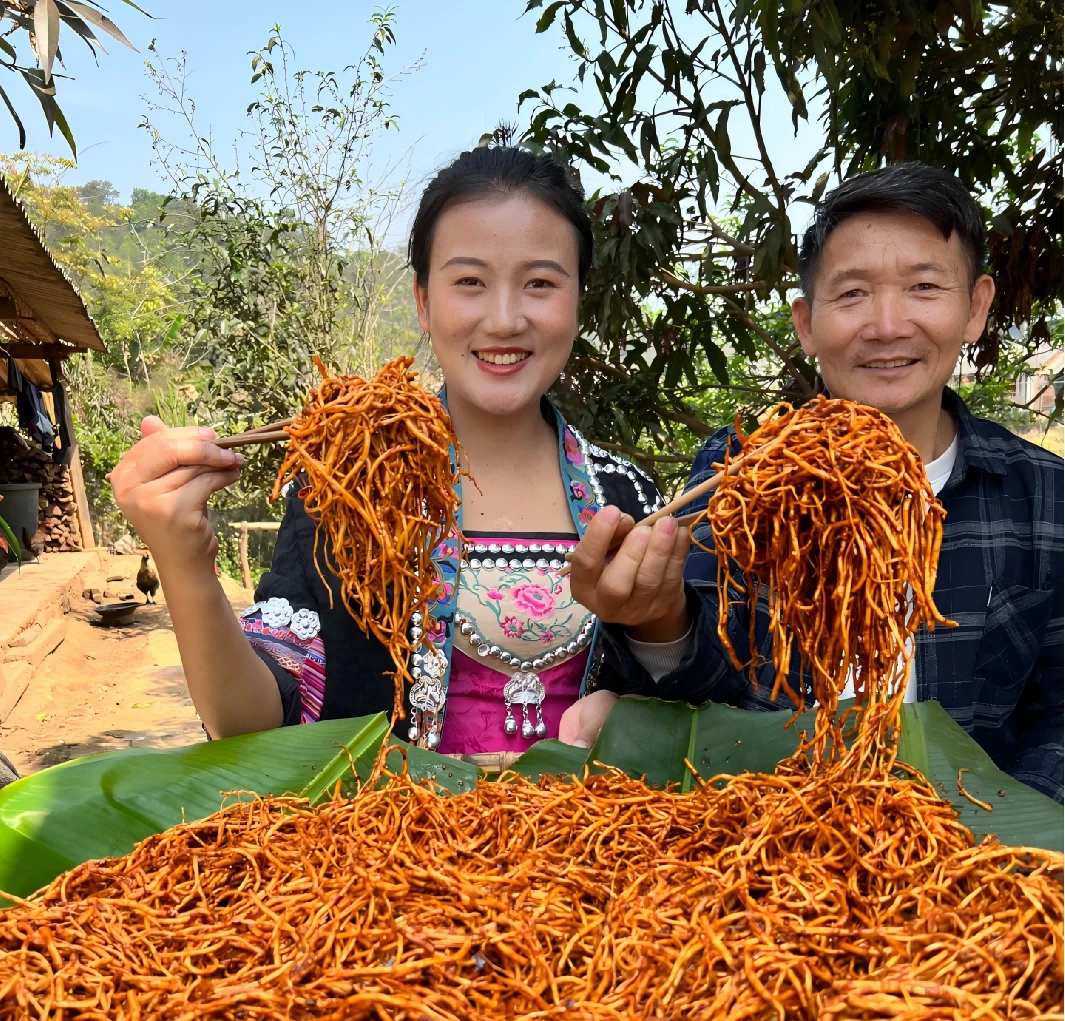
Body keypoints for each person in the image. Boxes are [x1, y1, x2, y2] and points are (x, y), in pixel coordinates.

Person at [107, 146, 666, 770]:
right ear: (424, 304)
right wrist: (185, 565)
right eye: (470, 282)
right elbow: (254, 723)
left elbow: (695, 703)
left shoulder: (632, 503)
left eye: (540, 283)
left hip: (595, 854)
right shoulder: (347, 488)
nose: (506, 319)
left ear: (578, 302)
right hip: (393, 859)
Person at [567, 161, 1064, 802]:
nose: (887, 324)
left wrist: (998, 846)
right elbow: (697, 702)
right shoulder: (742, 474)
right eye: (852, 293)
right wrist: (657, 622)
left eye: (923, 288)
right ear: (806, 323)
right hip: (770, 853)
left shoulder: (1043, 498)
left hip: (973, 865)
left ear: (975, 309)